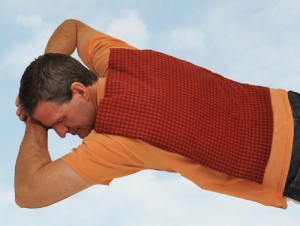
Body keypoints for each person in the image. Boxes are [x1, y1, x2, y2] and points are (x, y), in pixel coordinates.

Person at [15, 19, 300, 209]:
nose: (62, 133)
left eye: (60, 121)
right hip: (287, 105)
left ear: (79, 91)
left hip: (290, 163)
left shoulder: (113, 142)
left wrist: (33, 123)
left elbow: (29, 192)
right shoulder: (117, 58)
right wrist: (41, 81)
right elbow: (72, 28)